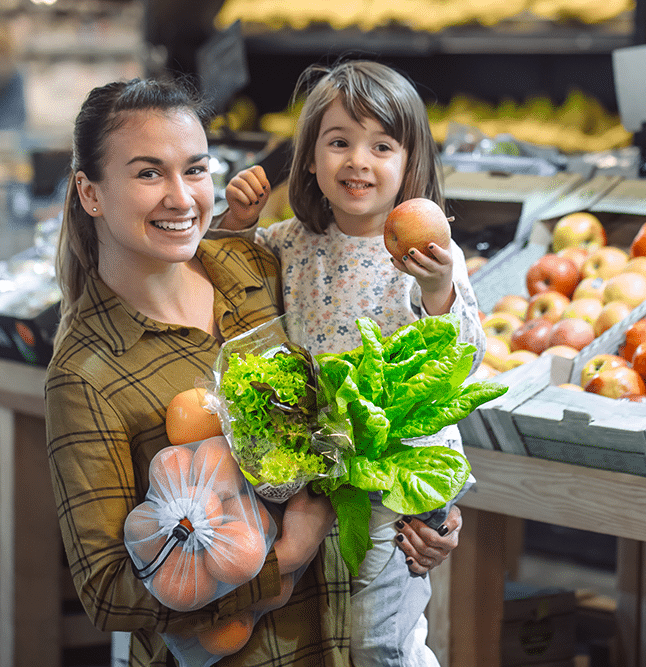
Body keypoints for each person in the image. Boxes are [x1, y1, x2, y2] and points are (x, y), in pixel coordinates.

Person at [45, 76, 352, 667]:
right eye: (148, 173)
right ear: (90, 193)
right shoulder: (86, 373)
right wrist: (281, 561)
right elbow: (106, 591)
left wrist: (426, 516)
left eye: (195, 169)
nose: (182, 198)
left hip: (342, 640)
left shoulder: (253, 265)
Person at [219, 59, 484, 667]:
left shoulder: (431, 255)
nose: (358, 160)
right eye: (338, 142)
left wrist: (441, 288)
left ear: (410, 164)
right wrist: (236, 219)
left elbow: (465, 360)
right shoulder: (288, 241)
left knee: (378, 639)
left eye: (381, 145)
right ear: (309, 159)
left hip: (398, 471)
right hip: (320, 471)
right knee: (326, 630)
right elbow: (223, 268)